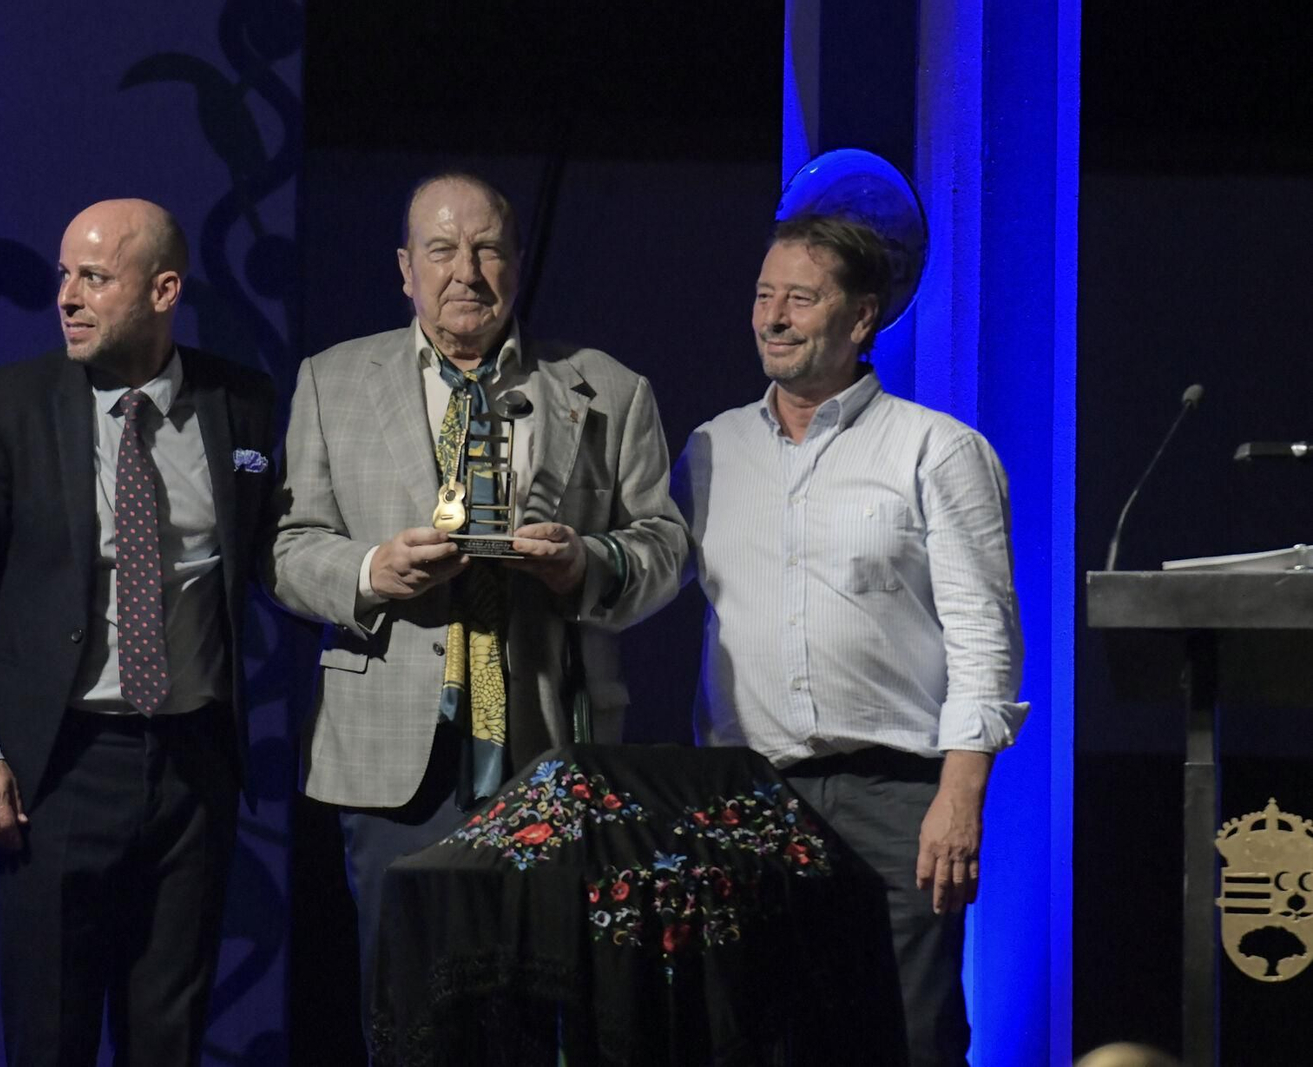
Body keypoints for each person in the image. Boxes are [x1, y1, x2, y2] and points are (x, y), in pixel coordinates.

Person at [267, 172, 687, 1041]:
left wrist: (587, 561)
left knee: (539, 1013)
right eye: (443, 249)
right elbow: (289, 547)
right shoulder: (330, 381)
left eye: (489, 247)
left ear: (518, 264)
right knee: (407, 1014)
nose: (468, 270)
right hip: (393, 758)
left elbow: (665, 548)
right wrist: (371, 570)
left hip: (546, 744)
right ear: (404, 270)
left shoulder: (606, 388)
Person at [0, 199, 276, 1066]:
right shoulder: (6, 406)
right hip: (60, 767)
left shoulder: (244, 403)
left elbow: (280, 552)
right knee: (51, 1034)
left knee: (169, 1036)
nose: (67, 298)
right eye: (62, 276)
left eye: (93, 277)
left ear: (163, 291)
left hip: (194, 767)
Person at [672, 213, 1028, 1066]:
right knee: (754, 1034)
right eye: (764, 296)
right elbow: (639, 584)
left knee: (909, 1033)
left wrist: (960, 796)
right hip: (747, 793)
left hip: (896, 793)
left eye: (801, 297)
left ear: (861, 318)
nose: (774, 317)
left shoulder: (935, 449)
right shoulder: (710, 450)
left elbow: (986, 637)